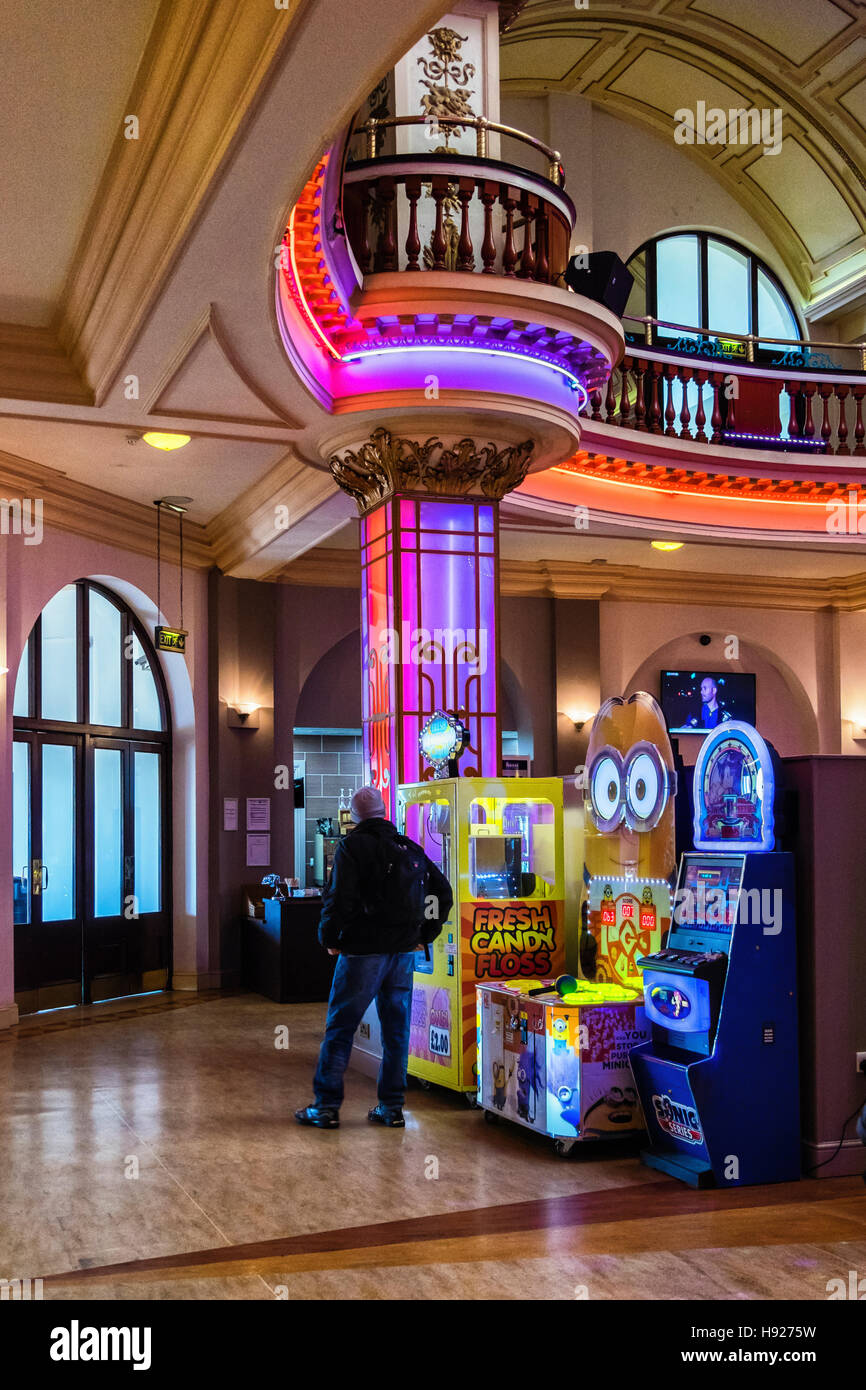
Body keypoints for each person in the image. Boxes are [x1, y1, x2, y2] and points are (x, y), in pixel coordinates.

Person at [295, 785, 453, 1130]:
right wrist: (424, 936)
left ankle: (325, 1108)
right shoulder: (408, 846)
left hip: (362, 952)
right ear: (384, 811)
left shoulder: (351, 846)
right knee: (396, 1031)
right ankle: (391, 1108)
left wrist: (330, 938)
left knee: (341, 1027)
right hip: (403, 953)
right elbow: (443, 892)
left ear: (354, 816)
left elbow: (339, 899)